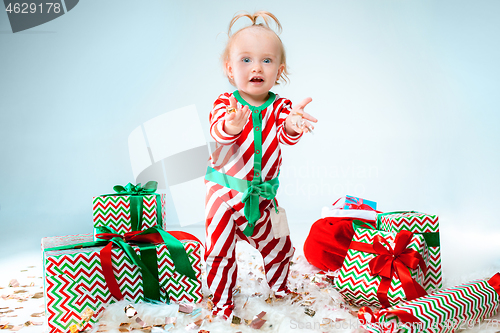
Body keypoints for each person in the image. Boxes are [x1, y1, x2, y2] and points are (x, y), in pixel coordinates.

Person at [204, 11, 318, 319]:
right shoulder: (225, 104)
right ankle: (221, 302)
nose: (256, 67)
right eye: (246, 60)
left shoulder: (280, 106)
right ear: (229, 68)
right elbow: (217, 133)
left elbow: (285, 133)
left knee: (279, 245)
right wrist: (230, 126)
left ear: (279, 70)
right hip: (224, 194)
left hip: (263, 198)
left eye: (266, 61)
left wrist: (294, 125)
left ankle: (280, 289)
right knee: (220, 251)